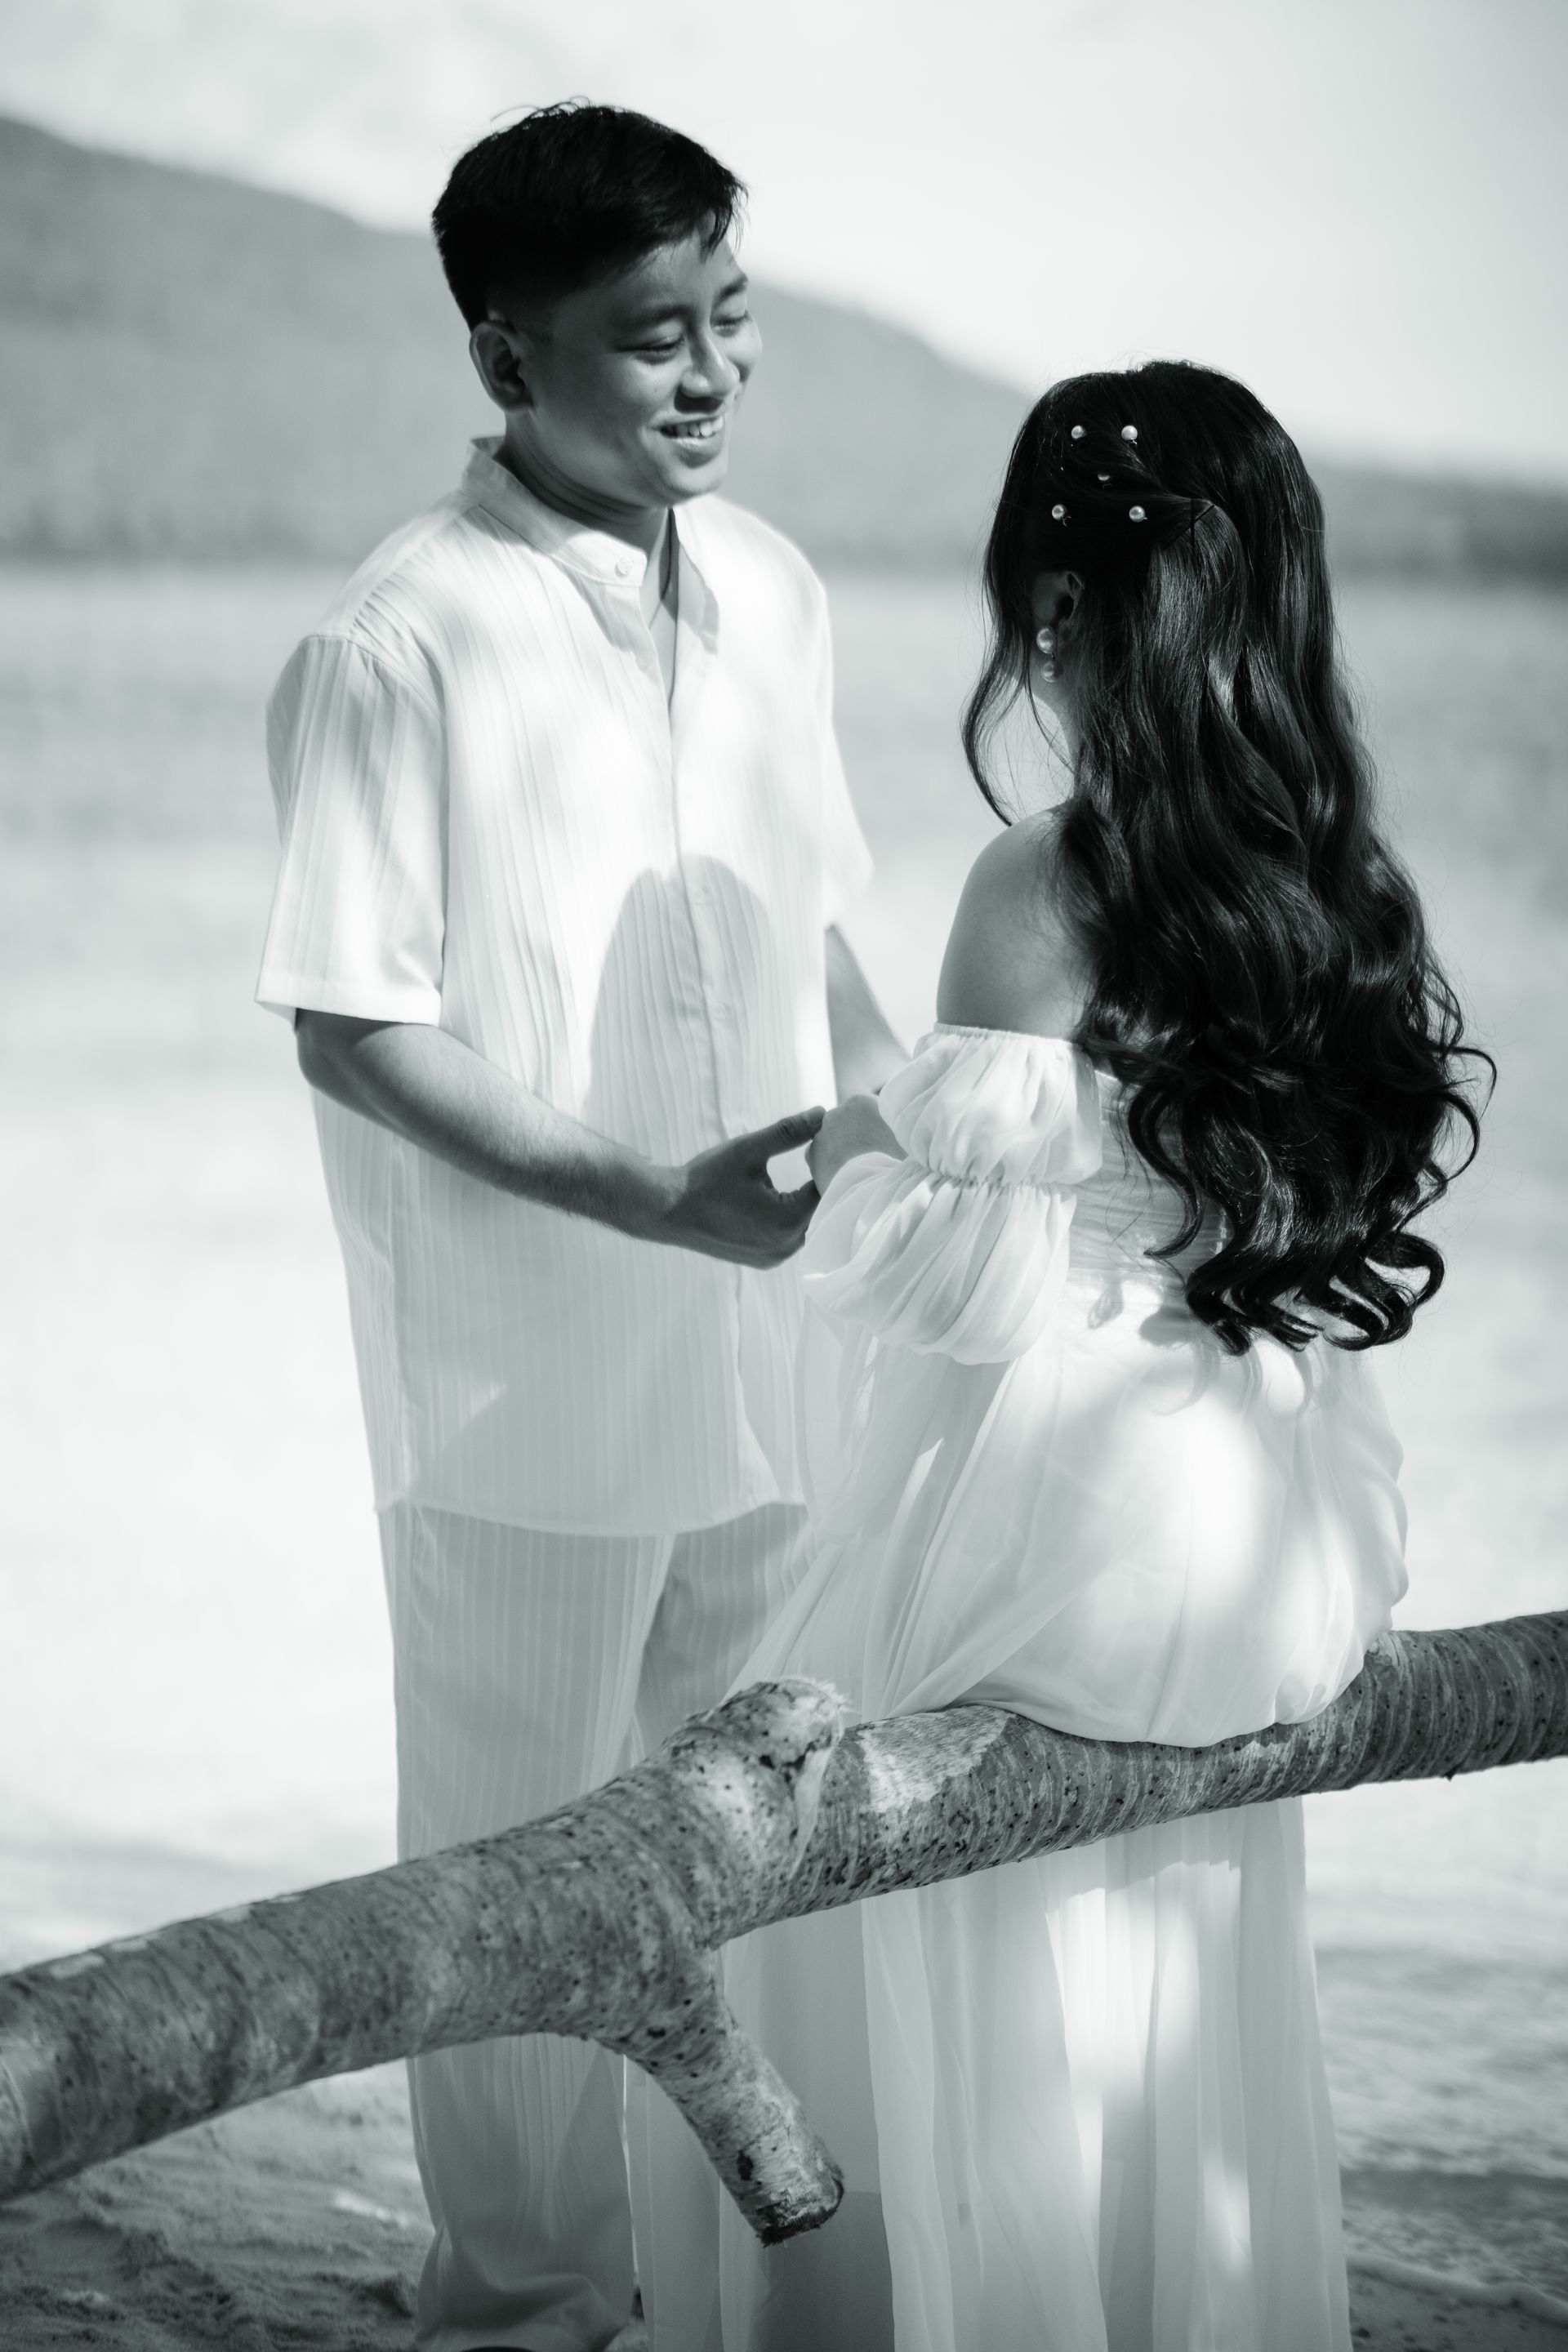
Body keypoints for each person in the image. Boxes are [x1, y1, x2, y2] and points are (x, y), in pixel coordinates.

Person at [683, 361, 1487, 2352]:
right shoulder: (1337, 885)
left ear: (1057, 601)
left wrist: (849, 1113)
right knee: (1166, 1918)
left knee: (835, 1817)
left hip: (1073, 1527)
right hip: (1267, 1536)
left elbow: (957, 1278)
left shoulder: (1048, 879)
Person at [256, 101, 902, 2352]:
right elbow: (353, 1027)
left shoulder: (782, 591)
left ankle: (701, 2276)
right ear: (506, 353)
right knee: (514, 1869)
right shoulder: (400, 639)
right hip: (522, 1383)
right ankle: (521, 2302)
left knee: (756, 1840)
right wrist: (649, 1200)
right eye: (653, 334)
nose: (712, 373)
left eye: (735, 315)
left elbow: (825, 938)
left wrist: (928, 1174)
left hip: (779, 1350)